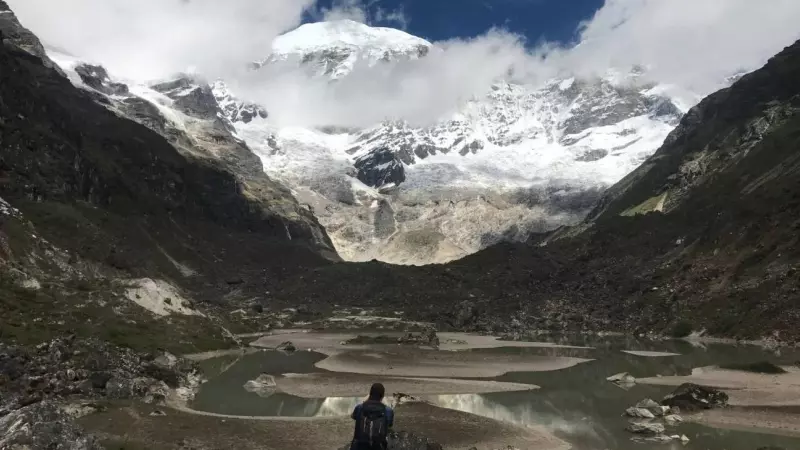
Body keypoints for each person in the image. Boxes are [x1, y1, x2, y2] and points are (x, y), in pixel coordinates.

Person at [349, 383, 394, 450]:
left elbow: (353, 416)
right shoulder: (388, 411)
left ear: (370, 394)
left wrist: (365, 401)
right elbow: (389, 425)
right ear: (382, 396)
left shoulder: (359, 408)